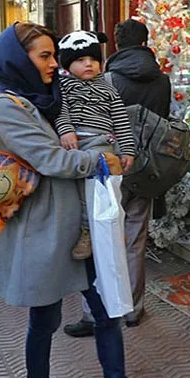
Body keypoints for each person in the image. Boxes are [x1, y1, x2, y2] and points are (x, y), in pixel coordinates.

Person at [0, 22, 168, 378]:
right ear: (20, 59)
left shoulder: (48, 96)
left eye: (54, 55)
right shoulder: (5, 106)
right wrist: (102, 160)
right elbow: (50, 159)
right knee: (45, 317)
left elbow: (96, 126)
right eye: (44, 56)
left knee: (106, 311)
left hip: (80, 224)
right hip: (44, 227)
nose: (54, 64)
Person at [64, 18, 171, 337]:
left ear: (116, 44)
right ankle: (133, 309)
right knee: (135, 237)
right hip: (145, 167)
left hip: (109, 164)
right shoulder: (162, 79)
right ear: (145, 41)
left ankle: (96, 312)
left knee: (101, 235)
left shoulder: (106, 79)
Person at [55, 30, 135, 259]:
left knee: (108, 189)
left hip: (101, 142)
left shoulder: (108, 88)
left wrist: (128, 149)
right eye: (80, 60)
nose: (88, 64)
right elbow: (60, 112)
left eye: (93, 60)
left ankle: (109, 229)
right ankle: (86, 228)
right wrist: (67, 130)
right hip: (74, 144)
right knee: (81, 193)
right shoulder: (63, 87)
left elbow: (121, 120)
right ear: (68, 64)